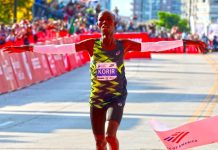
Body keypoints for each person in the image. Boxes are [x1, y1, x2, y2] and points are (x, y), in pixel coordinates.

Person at [3, 10, 206, 150]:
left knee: (110, 136)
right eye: (100, 20)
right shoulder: (91, 45)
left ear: (114, 25)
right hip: (96, 99)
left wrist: (187, 41)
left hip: (117, 96)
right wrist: (27, 48)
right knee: (99, 141)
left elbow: (156, 46)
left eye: (107, 20)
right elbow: (57, 49)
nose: (103, 23)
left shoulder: (123, 45)